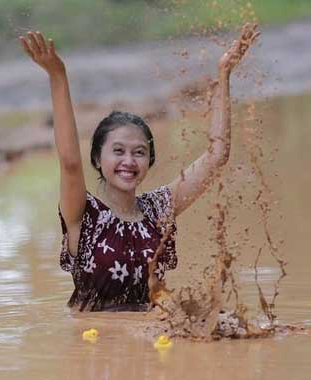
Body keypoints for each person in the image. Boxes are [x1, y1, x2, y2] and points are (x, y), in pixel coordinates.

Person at [19, 24, 260, 311]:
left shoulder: (158, 209)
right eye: (118, 151)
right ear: (97, 159)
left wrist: (223, 75)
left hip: (150, 341)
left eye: (139, 153)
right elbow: (70, 163)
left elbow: (217, 155)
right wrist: (58, 76)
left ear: (149, 161)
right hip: (94, 344)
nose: (129, 161)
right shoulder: (84, 215)